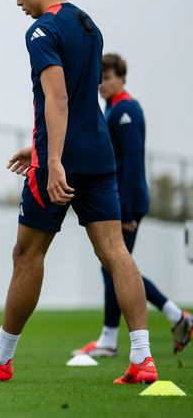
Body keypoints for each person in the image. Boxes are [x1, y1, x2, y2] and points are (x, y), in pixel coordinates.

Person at [0, 0, 157, 385]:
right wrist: (39, 145)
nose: (19, 3)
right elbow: (82, 103)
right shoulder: (88, 23)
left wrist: (52, 159)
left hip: (61, 161)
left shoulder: (43, 30)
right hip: (98, 154)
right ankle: (142, 358)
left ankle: (0, 357)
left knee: (27, 254)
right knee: (115, 252)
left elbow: (58, 98)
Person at [70, 53, 191, 357]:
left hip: (127, 201)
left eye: (107, 78)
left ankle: (176, 317)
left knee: (119, 266)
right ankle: (111, 338)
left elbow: (133, 162)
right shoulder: (112, 109)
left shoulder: (125, 110)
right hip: (121, 199)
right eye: (99, 78)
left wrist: (124, 209)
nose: (102, 83)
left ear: (121, 78)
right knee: (113, 266)